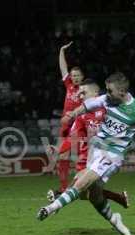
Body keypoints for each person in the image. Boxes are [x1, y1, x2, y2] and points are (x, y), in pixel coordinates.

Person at [37, 72, 135, 235]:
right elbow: (88, 105)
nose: (106, 92)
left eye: (109, 90)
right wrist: (73, 113)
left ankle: (50, 209)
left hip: (112, 154)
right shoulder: (107, 99)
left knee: (81, 182)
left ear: (121, 92)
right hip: (95, 149)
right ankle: (114, 219)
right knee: (93, 195)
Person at [48, 79, 129, 209]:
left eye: (83, 93)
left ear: (95, 93)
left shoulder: (109, 110)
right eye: (79, 93)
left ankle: (57, 200)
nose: (80, 96)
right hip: (86, 158)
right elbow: (73, 138)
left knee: (80, 187)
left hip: (104, 157)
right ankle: (119, 198)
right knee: (84, 194)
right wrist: (59, 150)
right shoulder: (82, 116)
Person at [57, 42, 84, 194]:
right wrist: (61, 51)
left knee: (81, 156)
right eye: (73, 75)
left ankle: (80, 185)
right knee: (63, 155)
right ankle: (63, 187)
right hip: (66, 125)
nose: (74, 78)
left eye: (77, 75)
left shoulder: (86, 90)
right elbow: (63, 68)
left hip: (79, 126)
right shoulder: (68, 85)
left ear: (82, 77)